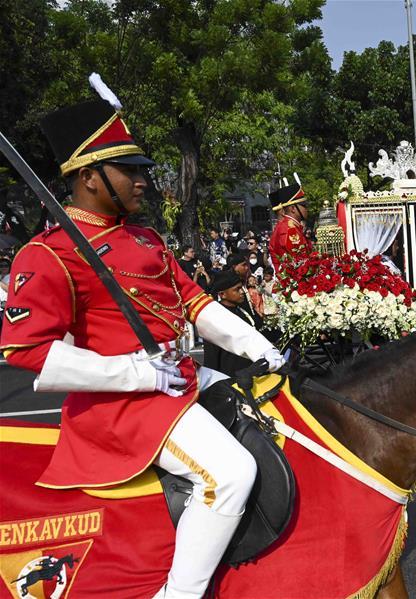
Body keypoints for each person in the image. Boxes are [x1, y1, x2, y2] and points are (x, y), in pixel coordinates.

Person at [0, 88, 286, 599]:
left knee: (277, 412)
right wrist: (136, 373)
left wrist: (257, 346)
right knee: (232, 474)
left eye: (140, 169)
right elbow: (25, 350)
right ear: (88, 177)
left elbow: (196, 302)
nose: (142, 180)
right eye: (127, 170)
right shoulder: (50, 253)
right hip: (123, 405)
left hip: (179, 382)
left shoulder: (147, 238)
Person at [203, 271, 264, 376]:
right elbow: (211, 357)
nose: (242, 292)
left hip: (251, 373)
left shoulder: (242, 310)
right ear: (222, 294)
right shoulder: (215, 317)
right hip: (230, 377)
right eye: (237, 289)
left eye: (242, 288)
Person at [268, 176, 308, 274]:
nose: (307, 209)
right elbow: (299, 263)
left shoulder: (290, 226)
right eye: (304, 205)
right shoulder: (290, 229)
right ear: (293, 209)